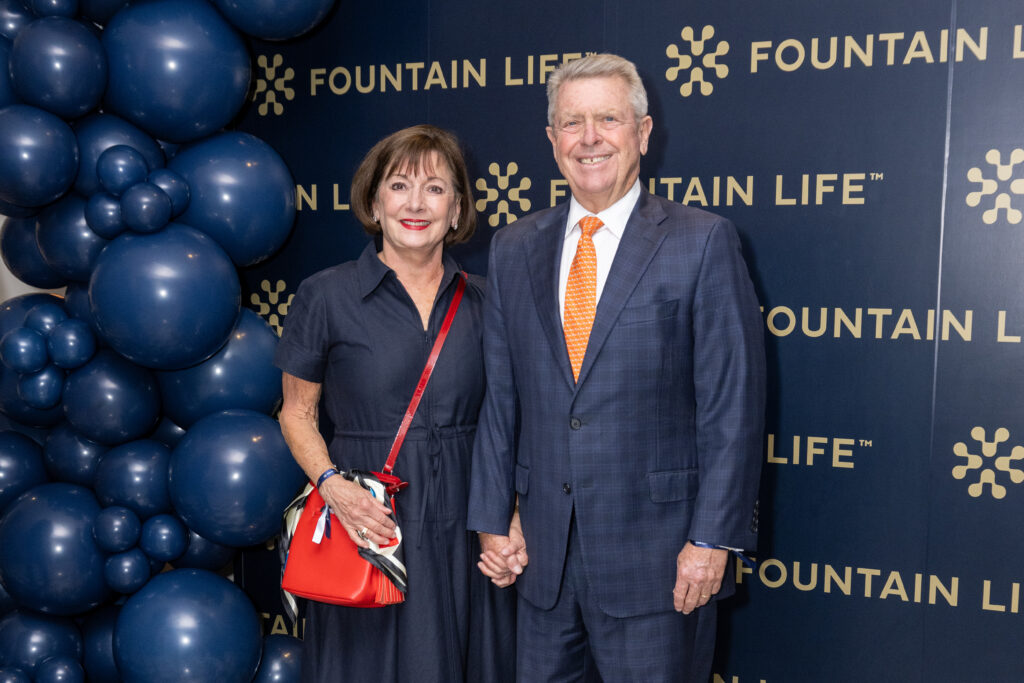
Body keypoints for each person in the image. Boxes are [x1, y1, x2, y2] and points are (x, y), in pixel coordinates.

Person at [468, 54, 766, 681]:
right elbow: (501, 401)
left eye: (608, 118)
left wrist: (711, 540)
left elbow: (730, 408)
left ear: (642, 132)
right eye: (571, 122)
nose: (590, 137)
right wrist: (494, 519)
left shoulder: (703, 240)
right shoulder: (513, 247)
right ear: (552, 141)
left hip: (661, 562)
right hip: (541, 560)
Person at [276, 124, 515, 682]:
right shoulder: (325, 295)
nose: (416, 203)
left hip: (470, 516)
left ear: (457, 210)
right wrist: (333, 487)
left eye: (435, 188)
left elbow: (512, 419)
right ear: (374, 201)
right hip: (366, 521)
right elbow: (296, 412)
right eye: (400, 185)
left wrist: (513, 515)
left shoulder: (489, 299)